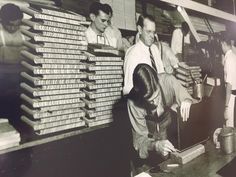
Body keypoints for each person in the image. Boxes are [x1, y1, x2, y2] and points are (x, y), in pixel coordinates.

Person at [127, 64, 193, 170]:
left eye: (157, 96)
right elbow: (139, 141)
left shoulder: (168, 80)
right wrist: (155, 145)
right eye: (150, 101)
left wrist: (187, 101)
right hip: (149, 143)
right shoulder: (133, 103)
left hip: (169, 132)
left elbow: (188, 97)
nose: (156, 103)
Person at [123, 14, 165, 95]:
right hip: (143, 102)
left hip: (159, 98)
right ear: (140, 29)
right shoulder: (133, 54)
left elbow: (162, 76)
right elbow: (128, 88)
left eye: (154, 32)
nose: (152, 36)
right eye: (149, 31)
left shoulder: (155, 49)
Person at [0, 3, 25, 120]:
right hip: (2, 76)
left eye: (17, 24)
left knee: (18, 110)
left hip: (20, 76)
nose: (14, 28)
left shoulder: (26, 33)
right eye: (10, 25)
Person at [220, 33, 236, 127]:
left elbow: (229, 84)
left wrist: (226, 107)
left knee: (229, 125)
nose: (221, 48)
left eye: (221, 45)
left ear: (223, 44)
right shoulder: (234, 56)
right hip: (234, 94)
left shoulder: (229, 59)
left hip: (231, 97)